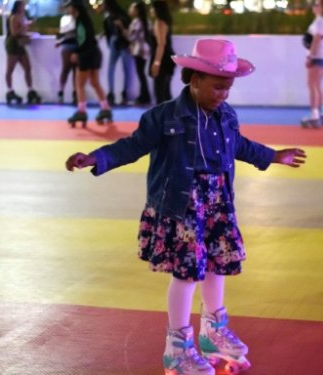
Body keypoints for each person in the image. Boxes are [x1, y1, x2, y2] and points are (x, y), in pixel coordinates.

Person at [65, 39, 307, 375]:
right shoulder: (164, 116)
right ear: (195, 80)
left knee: (217, 266)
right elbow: (132, 146)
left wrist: (272, 155)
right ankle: (177, 348)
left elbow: (238, 145)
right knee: (187, 271)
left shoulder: (226, 115)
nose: (224, 94)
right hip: (182, 204)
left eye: (228, 88)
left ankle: (213, 331)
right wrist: (97, 158)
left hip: (218, 201)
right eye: (218, 86)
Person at [65, 0, 112, 127]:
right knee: (94, 82)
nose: (67, 10)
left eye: (69, 7)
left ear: (75, 9)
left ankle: (81, 111)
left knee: (79, 84)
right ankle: (106, 108)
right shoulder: (85, 20)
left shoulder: (80, 21)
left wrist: (76, 52)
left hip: (86, 54)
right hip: (95, 53)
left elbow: (83, 40)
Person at [301, 0, 323, 129]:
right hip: (322, 56)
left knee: (312, 84)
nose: (314, 6)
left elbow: (316, 39)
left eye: (317, 4)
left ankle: (315, 115)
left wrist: (310, 56)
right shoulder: (320, 21)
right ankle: (322, 112)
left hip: (318, 56)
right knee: (317, 85)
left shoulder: (320, 21)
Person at [4, 0, 41, 105]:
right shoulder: (14, 17)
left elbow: (20, 31)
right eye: (22, 6)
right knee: (10, 69)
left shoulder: (22, 16)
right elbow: (14, 33)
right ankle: (10, 90)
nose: (24, 7)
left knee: (27, 67)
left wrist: (27, 31)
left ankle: (30, 89)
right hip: (13, 44)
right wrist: (24, 27)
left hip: (20, 45)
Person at [102, 0, 133, 106]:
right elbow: (107, 32)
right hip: (115, 43)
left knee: (125, 69)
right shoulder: (108, 17)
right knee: (113, 69)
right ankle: (111, 93)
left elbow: (129, 31)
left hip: (123, 44)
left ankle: (123, 93)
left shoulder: (121, 16)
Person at [149, 0, 175, 104]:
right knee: (165, 91)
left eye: (152, 8)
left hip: (163, 59)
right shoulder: (164, 22)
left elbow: (161, 44)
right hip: (166, 58)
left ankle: (163, 117)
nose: (151, 10)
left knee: (160, 91)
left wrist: (156, 63)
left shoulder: (159, 23)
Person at [128, 1, 151, 106]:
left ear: (137, 10)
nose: (130, 10)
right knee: (142, 74)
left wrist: (122, 29)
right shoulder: (147, 21)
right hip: (145, 50)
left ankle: (144, 96)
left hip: (139, 51)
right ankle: (145, 95)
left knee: (141, 74)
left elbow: (131, 37)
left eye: (132, 8)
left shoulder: (136, 22)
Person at [55, 9, 78, 104]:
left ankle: (75, 93)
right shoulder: (65, 19)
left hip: (76, 46)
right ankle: (61, 91)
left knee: (76, 71)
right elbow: (64, 33)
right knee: (66, 69)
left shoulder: (78, 19)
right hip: (67, 46)